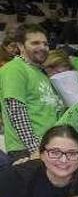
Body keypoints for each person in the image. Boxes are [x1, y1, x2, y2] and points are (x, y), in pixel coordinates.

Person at [0, 24, 64, 161]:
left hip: (49, 147)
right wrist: (36, 149)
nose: (42, 47)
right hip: (27, 150)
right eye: (35, 43)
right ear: (21, 46)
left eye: (45, 44)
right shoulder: (15, 69)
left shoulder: (41, 72)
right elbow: (16, 112)